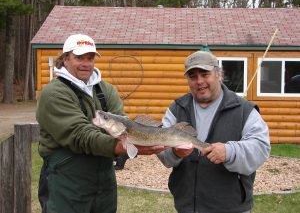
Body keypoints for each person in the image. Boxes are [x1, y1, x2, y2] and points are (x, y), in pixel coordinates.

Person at [36, 34, 165, 213]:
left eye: (90, 58)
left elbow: (123, 127)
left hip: (104, 183)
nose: (86, 63)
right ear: (65, 59)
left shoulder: (106, 90)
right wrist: (120, 147)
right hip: (66, 182)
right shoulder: (54, 93)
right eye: (79, 57)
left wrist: (141, 139)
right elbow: (80, 135)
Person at [157, 51, 270, 213]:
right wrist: (175, 153)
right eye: (193, 76)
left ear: (219, 74)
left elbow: (261, 148)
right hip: (187, 207)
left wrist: (230, 151)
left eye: (204, 74)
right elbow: (163, 152)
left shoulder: (244, 110)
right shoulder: (176, 109)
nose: (199, 81)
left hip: (231, 208)